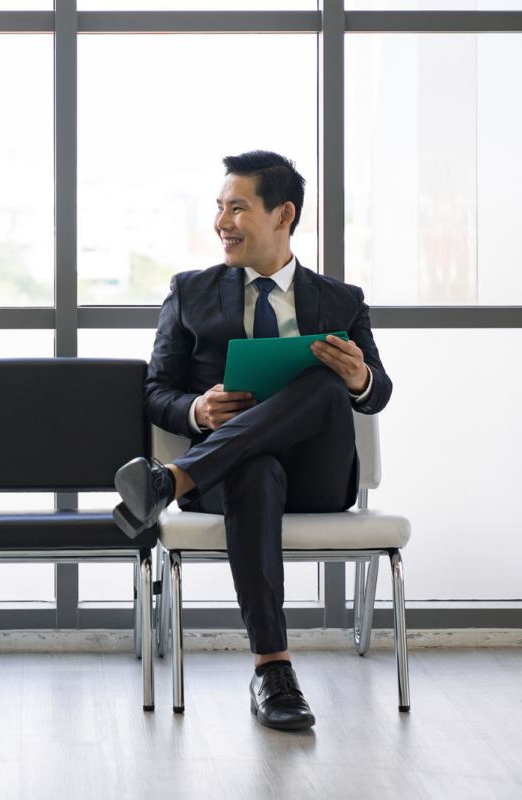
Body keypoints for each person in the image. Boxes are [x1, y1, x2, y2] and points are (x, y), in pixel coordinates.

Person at [112, 151, 392, 731]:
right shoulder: (190, 292)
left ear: (283, 214)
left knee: (322, 381)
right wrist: (196, 408)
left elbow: (379, 390)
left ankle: (169, 481)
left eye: (237, 208)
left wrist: (357, 377)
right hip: (235, 477)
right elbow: (154, 391)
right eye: (219, 208)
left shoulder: (342, 300)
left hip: (317, 474)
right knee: (255, 467)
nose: (221, 223)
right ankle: (273, 670)